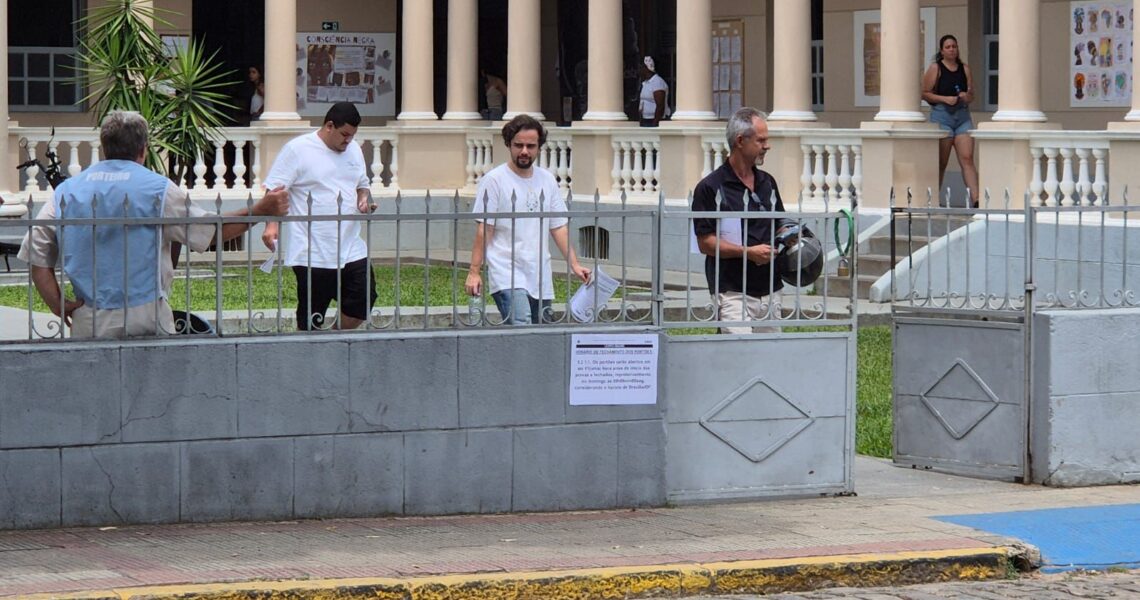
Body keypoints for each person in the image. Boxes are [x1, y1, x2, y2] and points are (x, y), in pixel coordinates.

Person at [17, 111, 289, 338]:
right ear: (143, 149)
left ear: (104, 147)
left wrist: (57, 303)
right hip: (146, 313)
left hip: (90, 315)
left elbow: (37, 254)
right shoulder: (158, 189)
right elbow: (212, 232)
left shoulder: (67, 191)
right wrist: (260, 210)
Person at [261, 102, 378, 331]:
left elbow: (362, 186)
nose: (348, 141)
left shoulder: (353, 150)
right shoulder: (298, 149)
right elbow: (274, 191)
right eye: (344, 134)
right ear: (329, 126)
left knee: (363, 300)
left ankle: (334, 340)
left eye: (352, 136)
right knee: (312, 316)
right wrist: (271, 225)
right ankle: (311, 352)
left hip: (351, 246)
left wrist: (363, 200)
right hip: (311, 250)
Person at [464, 115, 591, 325]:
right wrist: (474, 272)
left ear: (539, 147)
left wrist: (575, 265)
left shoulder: (547, 179)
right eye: (519, 145)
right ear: (508, 145)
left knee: (541, 332)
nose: (524, 151)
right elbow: (485, 229)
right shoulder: (494, 180)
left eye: (531, 146)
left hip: (539, 271)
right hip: (506, 270)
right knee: (521, 327)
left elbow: (558, 226)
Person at [692, 107, 795, 334]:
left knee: (769, 360)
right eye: (761, 140)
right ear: (740, 141)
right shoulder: (710, 187)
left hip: (770, 287)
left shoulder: (767, 182)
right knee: (737, 358)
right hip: (732, 290)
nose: (767, 146)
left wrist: (791, 234)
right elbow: (705, 242)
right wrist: (747, 252)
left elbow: (780, 222)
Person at [922, 34, 979, 208]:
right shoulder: (935, 68)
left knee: (967, 158)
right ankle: (932, 200)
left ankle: (977, 199)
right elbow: (924, 93)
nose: (952, 49)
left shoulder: (965, 68)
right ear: (942, 50)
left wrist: (966, 96)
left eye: (954, 46)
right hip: (942, 116)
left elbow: (972, 95)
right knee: (941, 161)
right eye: (948, 47)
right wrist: (945, 99)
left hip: (962, 116)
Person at [638, 56, 669, 127]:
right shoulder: (645, 82)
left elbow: (660, 105)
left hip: (653, 121)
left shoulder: (657, 82)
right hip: (645, 119)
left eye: (641, 67)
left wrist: (655, 123)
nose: (639, 70)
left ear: (647, 68)